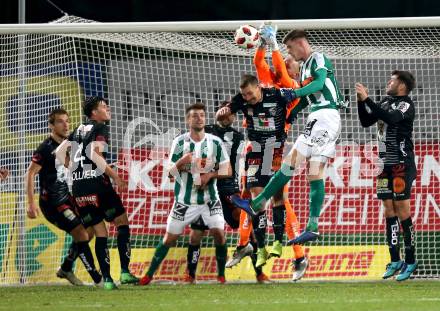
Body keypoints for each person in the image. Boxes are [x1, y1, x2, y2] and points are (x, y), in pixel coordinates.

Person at [231, 28, 345, 245]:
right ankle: (312, 226)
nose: (290, 54)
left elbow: (319, 84)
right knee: (314, 172)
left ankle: (256, 204)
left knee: (290, 163)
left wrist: (293, 93)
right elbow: (306, 96)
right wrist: (292, 113)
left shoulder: (317, 58)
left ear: (300, 43)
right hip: (321, 118)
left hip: (324, 117)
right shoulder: (303, 69)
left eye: (290, 48)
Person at [217, 74, 304, 268]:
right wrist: (223, 112)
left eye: (249, 93)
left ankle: (279, 243)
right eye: (244, 95)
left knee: (278, 198)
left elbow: (301, 97)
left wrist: (292, 113)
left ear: (259, 87)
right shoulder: (241, 100)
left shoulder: (277, 95)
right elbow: (224, 113)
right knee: (257, 201)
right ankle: (262, 248)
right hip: (255, 151)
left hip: (275, 151)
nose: (247, 98)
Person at [139, 102, 232, 285]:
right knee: (169, 238)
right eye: (195, 115)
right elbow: (169, 173)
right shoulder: (179, 142)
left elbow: (228, 170)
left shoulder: (215, 142)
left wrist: (210, 175)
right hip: (184, 201)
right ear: (187, 120)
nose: (199, 118)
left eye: (202, 115)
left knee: (219, 234)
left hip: (209, 200)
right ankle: (148, 275)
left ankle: (221, 275)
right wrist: (182, 161)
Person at [56, 97, 139, 290]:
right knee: (122, 222)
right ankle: (125, 273)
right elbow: (94, 154)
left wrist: (75, 169)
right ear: (94, 112)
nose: (108, 108)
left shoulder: (78, 129)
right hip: (97, 184)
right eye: (103, 106)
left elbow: (60, 152)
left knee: (101, 232)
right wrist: (116, 177)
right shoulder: (100, 127)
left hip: (78, 188)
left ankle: (108, 281)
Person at [185, 101, 269, 284]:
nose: (229, 117)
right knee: (197, 234)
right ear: (218, 113)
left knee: (246, 227)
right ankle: (190, 275)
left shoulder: (238, 136)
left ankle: (259, 273)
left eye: (232, 114)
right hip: (205, 190)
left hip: (229, 188)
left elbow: (236, 164)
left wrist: (245, 186)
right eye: (226, 113)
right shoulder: (205, 130)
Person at [25, 108, 102, 286]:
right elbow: (30, 174)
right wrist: (30, 204)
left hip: (67, 197)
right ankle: (99, 280)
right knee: (81, 234)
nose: (66, 124)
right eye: (60, 121)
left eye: (67, 120)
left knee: (90, 230)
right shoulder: (45, 148)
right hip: (52, 203)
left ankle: (66, 268)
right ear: (51, 126)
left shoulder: (71, 144)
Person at [355, 70, 417, 281]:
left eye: (392, 80)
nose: (388, 82)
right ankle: (395, 259)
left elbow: (390, 118)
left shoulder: (405, 104)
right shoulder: (384, 101)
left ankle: (410, 260)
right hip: (384, 165)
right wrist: (360, 102)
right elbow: (366, 121)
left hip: (401, 163)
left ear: (401, 85)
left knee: (402, 210)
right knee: (388, 210)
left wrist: (368, 100)